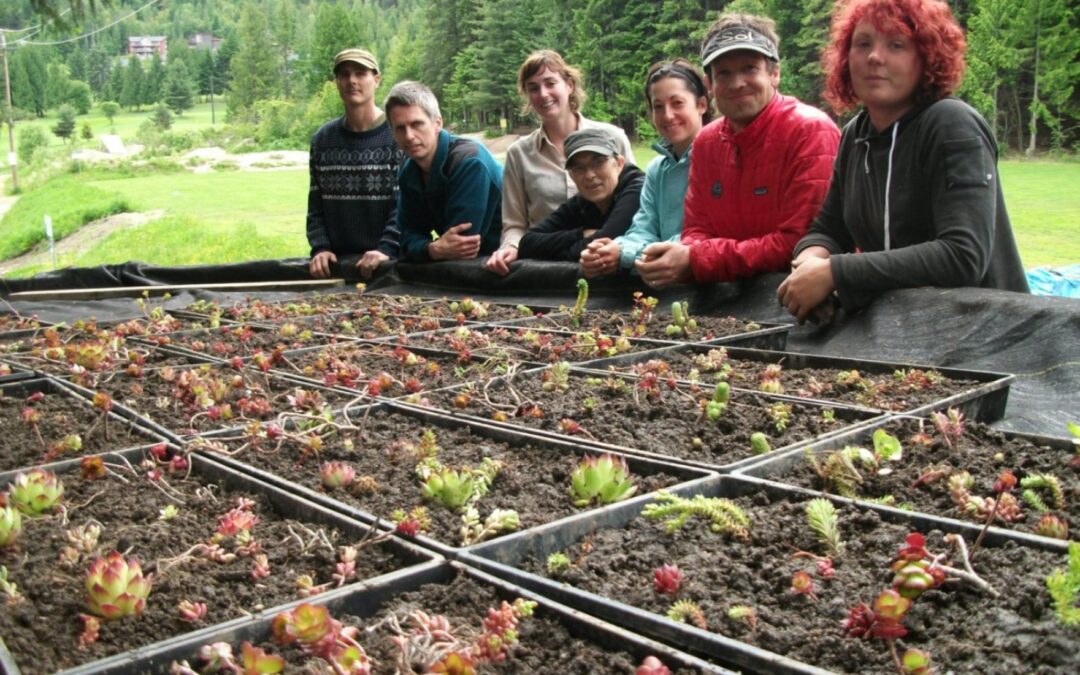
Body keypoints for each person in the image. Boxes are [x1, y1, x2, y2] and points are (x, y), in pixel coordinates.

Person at [777, 0, 1028, 322]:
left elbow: (963, 256)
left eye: (896, 44)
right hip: (902, 328)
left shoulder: (951, 124)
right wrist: (809, 264)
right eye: (862, 43)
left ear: (926, 57)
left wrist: (836, 273)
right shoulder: (856, 134)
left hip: (984, 329)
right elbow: (829, 229)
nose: (874, 57)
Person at [636, 14, 840, 288]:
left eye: (749, 68)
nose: (737, 83)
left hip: (804, 297)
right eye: (724, 73)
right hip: (731, 298)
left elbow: (801, 240)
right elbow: (697, 229)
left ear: (774, 74)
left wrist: (697, 258)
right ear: (709, 85)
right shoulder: (707, 142)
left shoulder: (810, 131)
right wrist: (688, 255)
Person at [484, 50, 635, 275]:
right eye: (533, 88)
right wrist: (511, 247)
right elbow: (515, 224)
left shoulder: (612, 138)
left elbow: (632, 207)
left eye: (550, 83)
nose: (543, 94)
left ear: (569, 85)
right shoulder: (519, 153)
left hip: (606, 262)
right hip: (543, 268)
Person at [581, 59, 712, 278]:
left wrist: (628, 253)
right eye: (658, 106)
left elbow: (708, 233)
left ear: (701, 105)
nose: (668, 115)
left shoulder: (717, 160)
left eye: (677, 103)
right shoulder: (657, 169)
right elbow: (644, 227)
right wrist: (613, 250)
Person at [306, 48, 405, 279]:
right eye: (344, 74)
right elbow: (315, 203)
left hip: (389, 267)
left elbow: (405, 204)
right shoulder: (322, 140)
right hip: (336, 267)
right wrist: (320, 247)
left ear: (376, 80)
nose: (352, 81)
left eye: (361, 73)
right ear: (337, 82)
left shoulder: (398, 136)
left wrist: (385, 249)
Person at [385, 81, 503, 263]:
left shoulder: (469, 161)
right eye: (400, 128)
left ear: (437, 123)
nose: (409, 136)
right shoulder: (408, 171)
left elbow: (462, 245)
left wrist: (427, 248)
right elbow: (406, 235)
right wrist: (431, 249)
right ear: (392, 132)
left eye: (417, 124)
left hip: (512, 259)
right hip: (472, 266)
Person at [516, 128, 645, 263]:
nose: (589, 175)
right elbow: (527, 243)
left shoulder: (637, 190)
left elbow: (601, 247)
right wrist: (581, 234)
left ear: (619, 163)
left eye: (598, 163)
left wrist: (557, 252)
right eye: (579, 168)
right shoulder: (582, 201)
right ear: (572, 175)